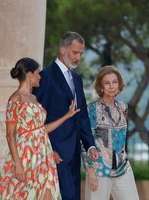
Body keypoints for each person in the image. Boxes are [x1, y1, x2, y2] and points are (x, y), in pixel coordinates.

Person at [0, 57, 80, 200]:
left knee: (48, 194)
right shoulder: (15, 99)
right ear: (29, 74)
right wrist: (17, 163)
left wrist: (67, 116)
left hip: (44, 154)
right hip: (26, 154)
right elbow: (10, 135)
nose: (40, 76)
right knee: (22, 194)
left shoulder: (34, 98)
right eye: (37, 73)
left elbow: (41, 129)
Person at [33, 31, 99, 200]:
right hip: (56, 153)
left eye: (81, 53)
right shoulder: (46, 77)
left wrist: (90, 145)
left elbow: (82, 116)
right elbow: (38, 119)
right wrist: (48, 151)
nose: (78, 57)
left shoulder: (77, 79)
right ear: (63, 50)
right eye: (75, 52)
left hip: (74, 151)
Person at [82, 65, 139, 200]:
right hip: (99, 169)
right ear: (101, 87)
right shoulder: (91, 109)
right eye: (107, 83)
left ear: (119, 85)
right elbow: (84, 140)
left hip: (123, 168)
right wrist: (90, 171)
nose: (111, 86)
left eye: (114, 82)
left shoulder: (123, 108)